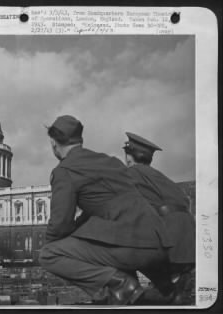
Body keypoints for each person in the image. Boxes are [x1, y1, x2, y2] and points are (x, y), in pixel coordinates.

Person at [39, 115, 174, 305]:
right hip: (160, 243)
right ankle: (121, 290)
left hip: (132, 247)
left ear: (53, 142)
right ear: (80, 140)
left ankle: (121, 286)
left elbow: (60, 225)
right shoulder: (110, 161)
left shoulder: (65, 171)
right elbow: (105, 208)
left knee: (49, 255)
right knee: (104, 240)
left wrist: (51, 246)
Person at [123, 132, 195, 302]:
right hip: (190, 240)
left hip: (170, 239)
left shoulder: (131, 173)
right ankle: (174, 284)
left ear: (128, 156)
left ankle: (154, 291)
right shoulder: (161, 177)